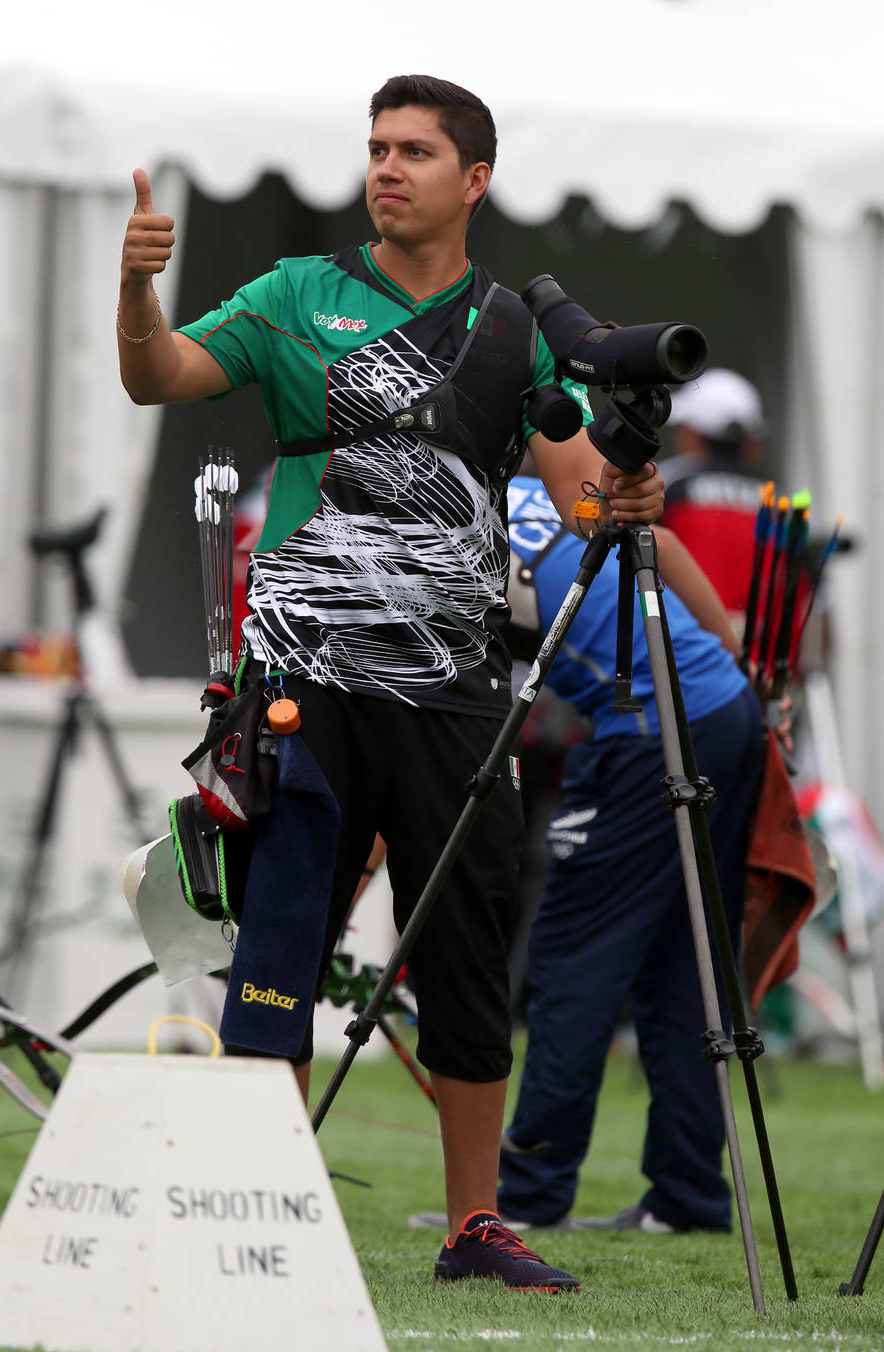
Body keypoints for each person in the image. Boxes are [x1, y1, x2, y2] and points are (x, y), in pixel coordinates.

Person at [118, 74, 663, 1291]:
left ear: (473, 180)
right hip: (302, 682)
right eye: (375, 147)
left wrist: (620, 494)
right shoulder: (298, 292)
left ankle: (478, 1224)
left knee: (465, 952)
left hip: (457, 688)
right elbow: (156, 377)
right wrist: (134, 286)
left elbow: (578, 495)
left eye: (415, 150)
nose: (386, 167)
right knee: (282, 940)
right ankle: (267, 1207)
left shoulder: (515, 329)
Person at [494, 473, 765, 1234]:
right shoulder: (531, 482)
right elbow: (662, 545)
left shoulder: (440, 520)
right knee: (687, 960)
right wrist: (734, 660)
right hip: (723, 710)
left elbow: (487, 705)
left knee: (572, 954)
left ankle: (528, 1200)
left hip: (651, 728)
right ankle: (687, 1198)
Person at [658, 367, 768, 625]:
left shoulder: (664, 484)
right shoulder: (783, 500)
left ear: (694, 434)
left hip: (687, 646)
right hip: (763, 655)